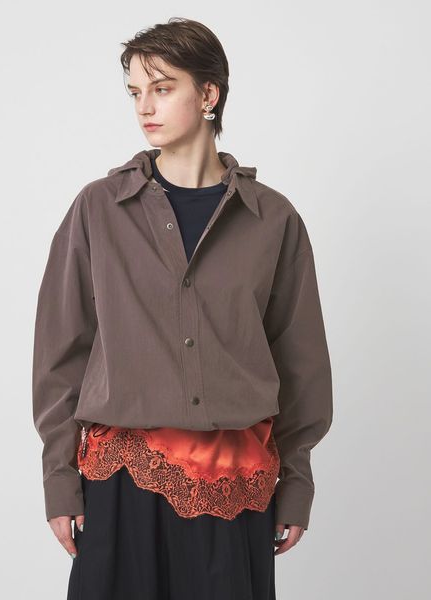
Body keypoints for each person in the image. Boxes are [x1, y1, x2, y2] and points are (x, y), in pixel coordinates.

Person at [32, 17, 333, 600]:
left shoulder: (273, 220)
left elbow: (301, 365)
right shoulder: (98, 209)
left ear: (209, 94)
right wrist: (59, 480)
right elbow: (60, 355)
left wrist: (296, 484)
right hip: (121, 483)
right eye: (134, 92)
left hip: (236, 488)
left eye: (163, 88)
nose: (144, 107)